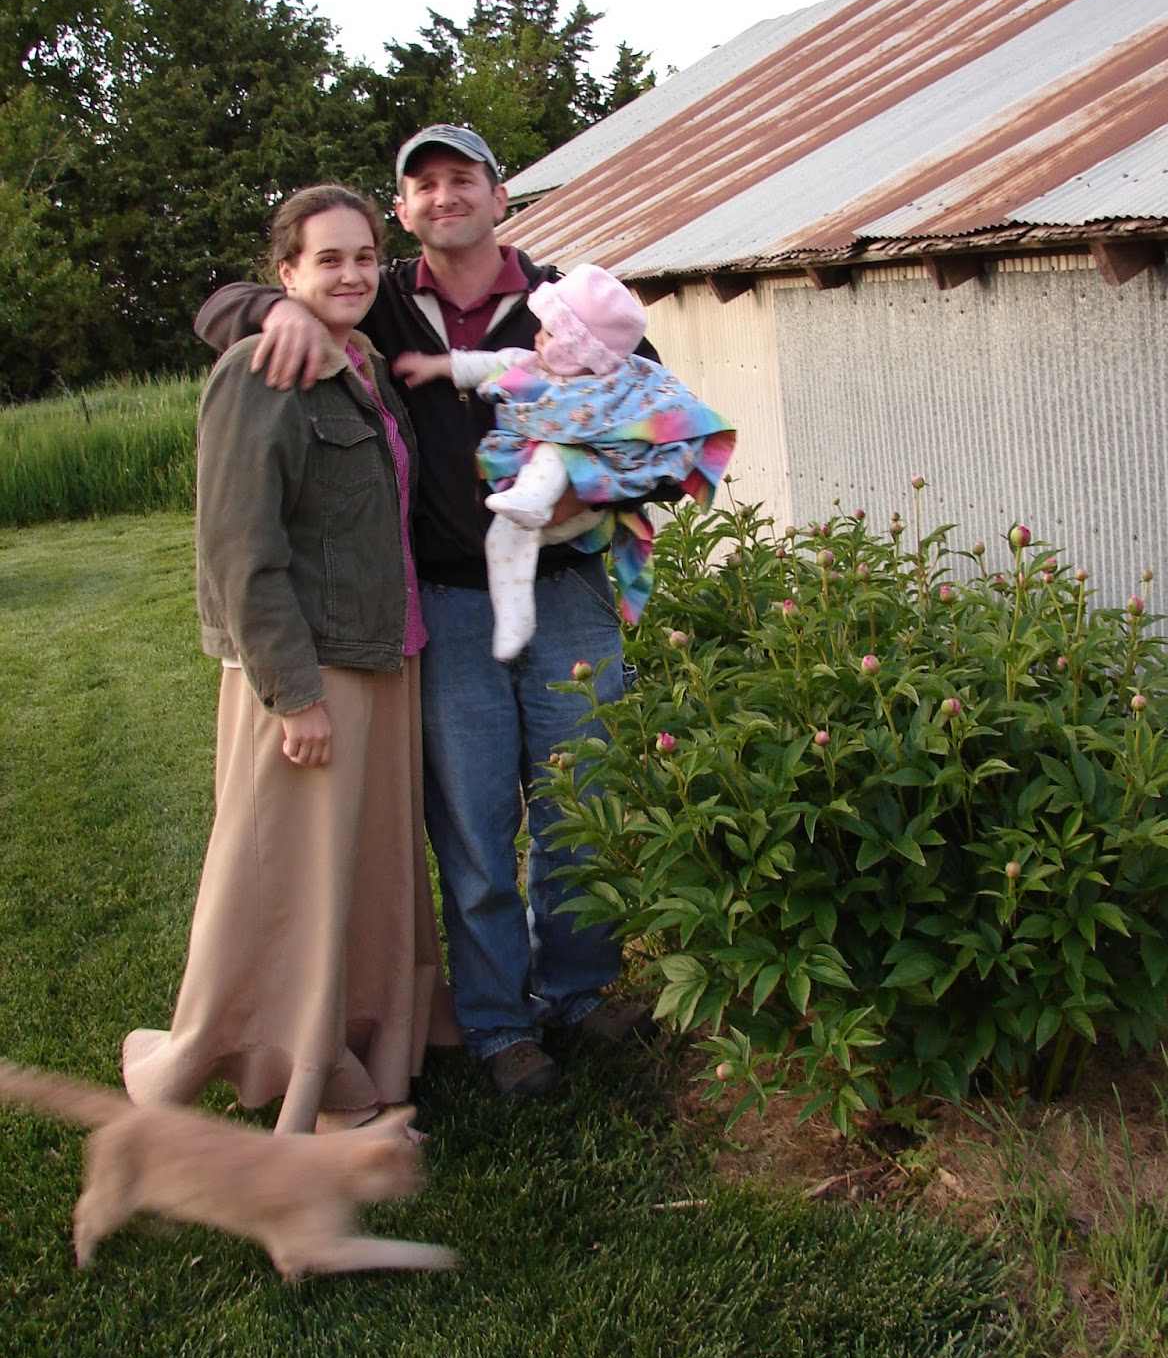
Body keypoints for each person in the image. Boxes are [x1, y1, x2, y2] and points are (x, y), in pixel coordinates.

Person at [194, 126, 662, 1099]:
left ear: (500, 197)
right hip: (447, 602)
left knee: (581, 809)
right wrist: (268, 310)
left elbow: (660, 427)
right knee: (474, 828)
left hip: (568, 592)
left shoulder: (568, 301)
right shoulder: (382, 303)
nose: (446, 196)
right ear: (403, 210)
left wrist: (592, 493)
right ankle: (498, 1024)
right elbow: (223, 306)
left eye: (464, 179)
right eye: (425, 184)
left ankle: (579, 991)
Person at [125, 184, 457, 1134]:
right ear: (286, 273)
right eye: (328, 259)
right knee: (292, 885)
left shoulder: (364, 362)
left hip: (385, 656)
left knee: (366, 876)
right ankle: (317, 1081)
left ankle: (373, 1044)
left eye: (364, 256)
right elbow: (240, 549)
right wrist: (293, 694)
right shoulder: (261, 368)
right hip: (313, 670)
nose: (351, 275)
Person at [393, 262, 736, 661]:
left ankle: (533, 499)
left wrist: (588, 458)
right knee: (501, 537)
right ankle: (514, 618)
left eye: (551, 333)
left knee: (555, 451)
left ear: (581, 348)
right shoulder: (535, 365)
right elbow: (487, 363)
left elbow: (669, 422)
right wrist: (435, 365)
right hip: (535, 525)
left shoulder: (622, 386)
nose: (537, 337)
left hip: (584, 510)